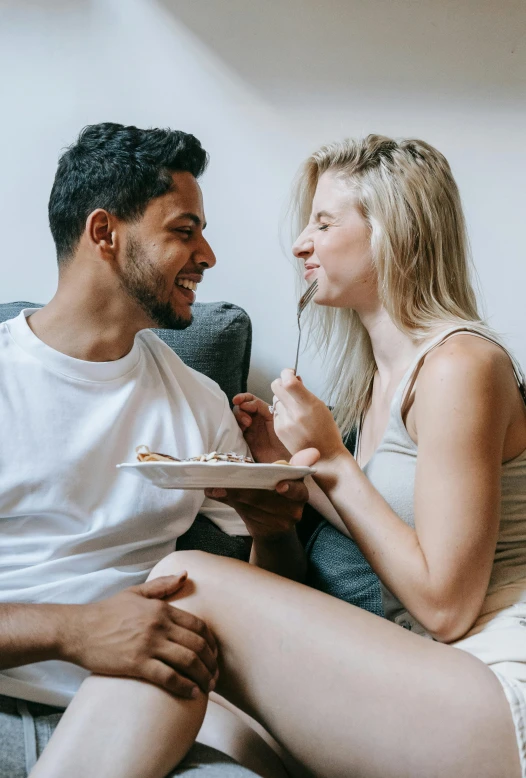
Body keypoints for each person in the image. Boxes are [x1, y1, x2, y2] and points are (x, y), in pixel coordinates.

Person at [29, 134, 526, 778]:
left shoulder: (461, 364)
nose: (301, 243)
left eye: (323, 221)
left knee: (193, 581)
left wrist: (332, 464)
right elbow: (404, 535)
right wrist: (288, 467)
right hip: (427, 681)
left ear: (392, 232)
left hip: (492, 686)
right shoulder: (382, 380)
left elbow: (447, 606)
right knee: (199, 700)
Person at [0, 122, 313, 778]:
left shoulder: (198, 401)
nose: (208, 255)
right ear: (105, 233)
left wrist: (273, 527)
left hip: (148, 699)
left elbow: (269, 613)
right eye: (183, 230)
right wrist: (73, 631)